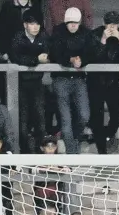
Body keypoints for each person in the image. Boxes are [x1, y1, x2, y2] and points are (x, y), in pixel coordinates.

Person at [49, 7, 93, 154]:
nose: (73, 25)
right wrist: (70, 59)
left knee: (84, 115)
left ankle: (74, 141)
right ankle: (72, 154)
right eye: (71, 22)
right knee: (65, 121)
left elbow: (90, 52)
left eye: (76, 22)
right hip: (61, 79)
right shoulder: (58, 32)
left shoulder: (85, 33)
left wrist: (82, 60)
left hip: (79, 78)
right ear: (66, 22)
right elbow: (55, 53)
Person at [88, 11, 119, 154]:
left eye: (114, 24)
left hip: (113, 82)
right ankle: (101, 149)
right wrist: (103, 40)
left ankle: (106, 135)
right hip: (95, 82)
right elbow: (93, 58)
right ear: (104, 23)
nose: (111, 27)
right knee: (97, 117)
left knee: (116, 116)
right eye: (108, 24)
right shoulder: (95, 34)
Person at [9, 8, 48, 153]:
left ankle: (41, 156)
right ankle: (24, 154)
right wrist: (36, 59)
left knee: (40, 120)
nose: (35, 27)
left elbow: (49, 53)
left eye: (38, 24)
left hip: (37, 83)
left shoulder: (43, 37)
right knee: (22, 123)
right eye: (32, 24)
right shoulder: (18, 37)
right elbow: (16, 57)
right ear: (25, 24)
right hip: (20, 85)